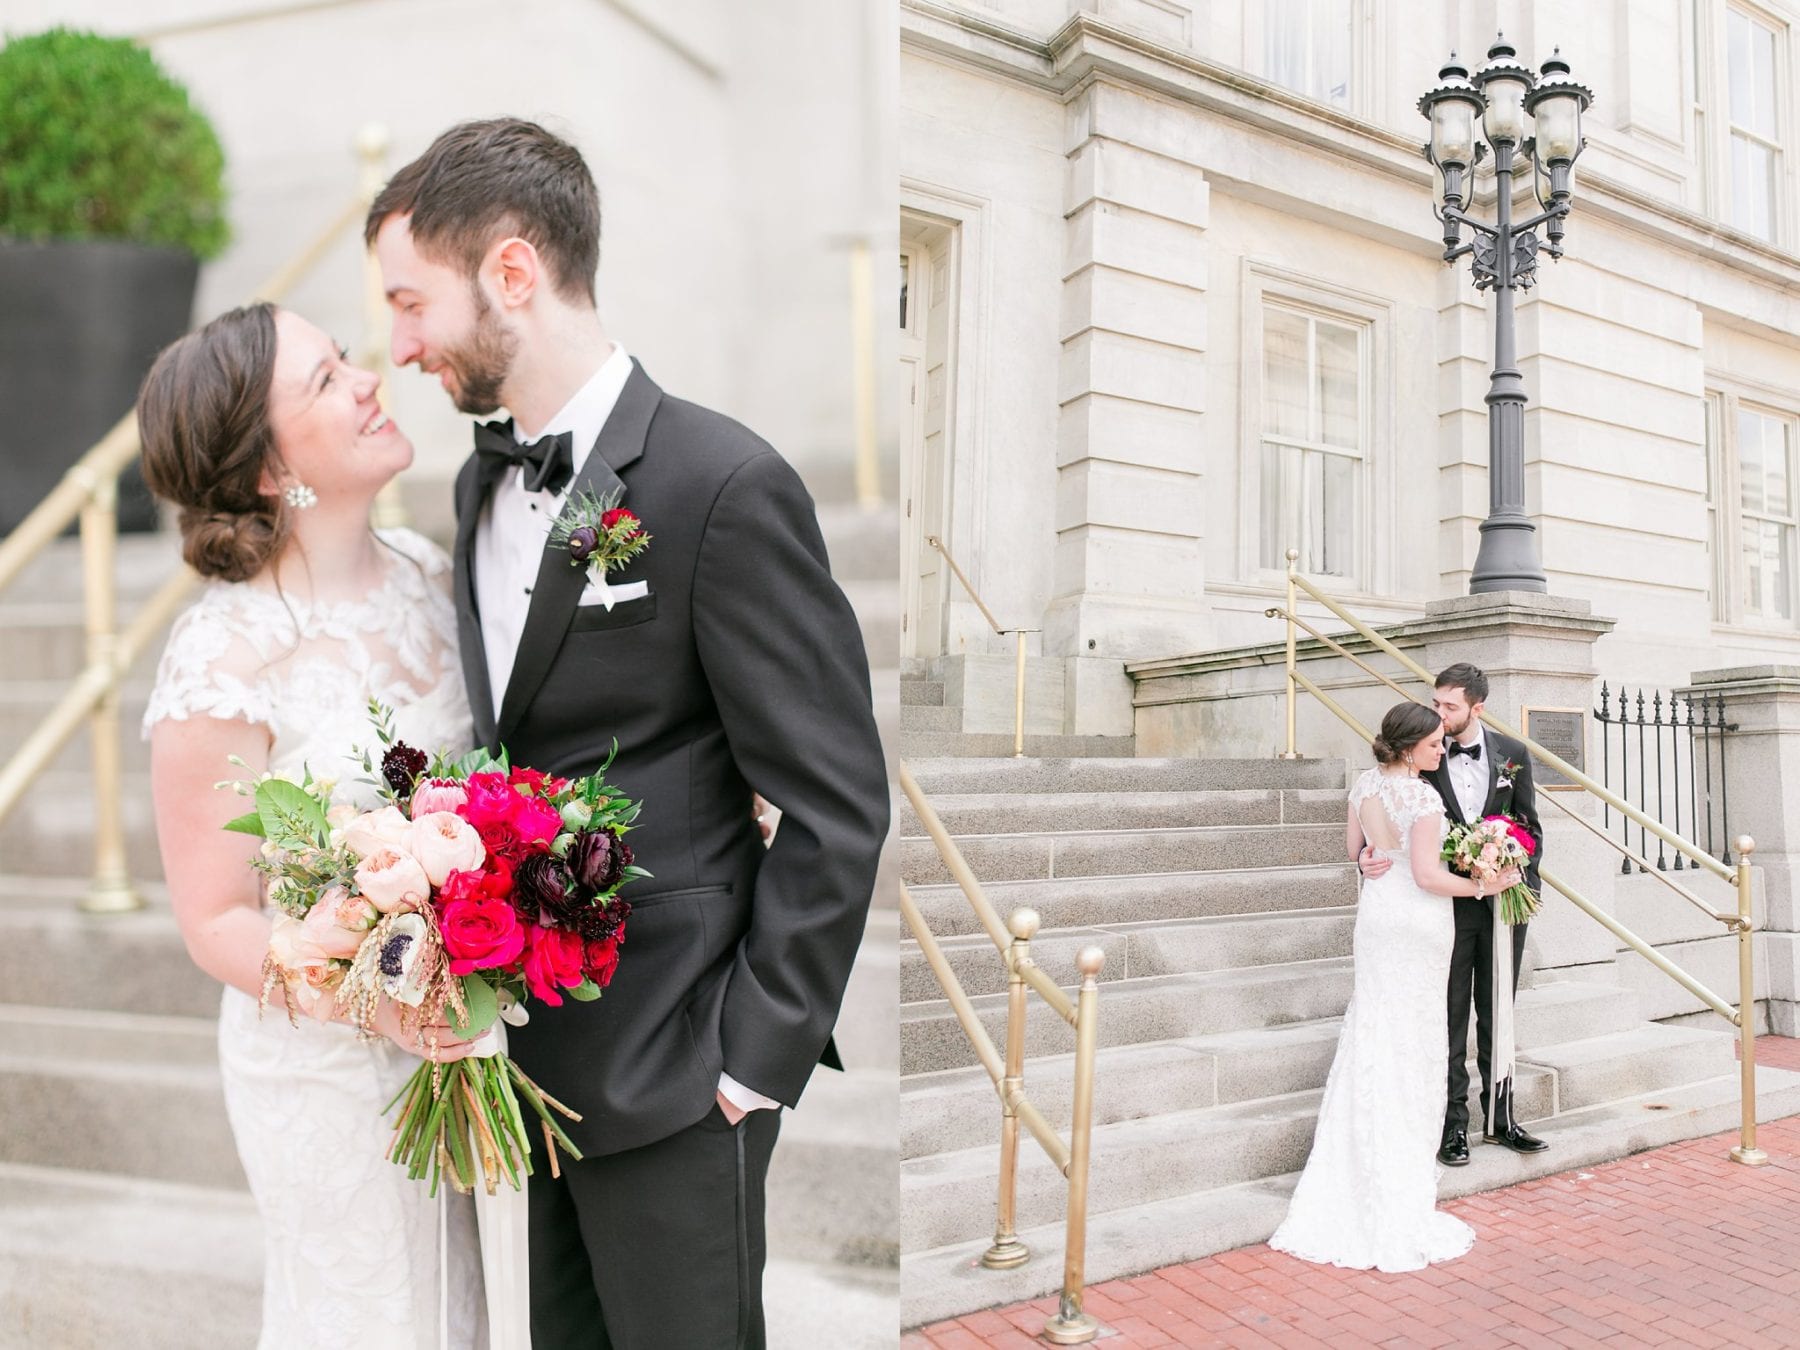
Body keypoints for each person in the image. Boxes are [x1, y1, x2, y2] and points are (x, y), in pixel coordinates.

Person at [366, 117, 891, 1349]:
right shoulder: (476, 481)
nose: (396, 347)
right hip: (517, 1061)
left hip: (678, 1069)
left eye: (409, 301)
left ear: (510, 273)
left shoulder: (720, 482)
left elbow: (835, 799)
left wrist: (750, 1061)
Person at [139, 302, 486, 1346]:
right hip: (328, 1071)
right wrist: (369, 1001)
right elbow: (214, 920)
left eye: (347, 361)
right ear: (260, 473)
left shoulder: (433, 573)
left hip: (471, 1032)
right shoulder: (221, 661)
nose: (369, 380)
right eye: (326, 380)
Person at [1270, 700, 1520, 1272]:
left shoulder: (1363, 786)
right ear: (1411, 746)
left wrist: (1366, 861)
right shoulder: (1424, 797)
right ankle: (1395, 1176)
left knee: (1374, 1029)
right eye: (1434, 743)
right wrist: (1489, 882)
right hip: (1417, 925)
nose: (1441, 749)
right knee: (1412, 1044)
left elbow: (1355, 850)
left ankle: (1355, 1164)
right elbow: (1431, 877)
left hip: (1378, 920)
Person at [1359, 663, 1548, 1166]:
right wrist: (1365, 856)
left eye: (1450, 707)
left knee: (1498, 1011)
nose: (1438, 715)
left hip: (1504, 905)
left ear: (1477, 708)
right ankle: (1452, 1126)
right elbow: (1386, 821)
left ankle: (1502, 1119)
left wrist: (1515, 871)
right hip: (1442, 905)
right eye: (1436, 703)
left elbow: (1529, 825)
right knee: (1448, 1015)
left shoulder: (1514, 754)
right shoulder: (1421, 757)